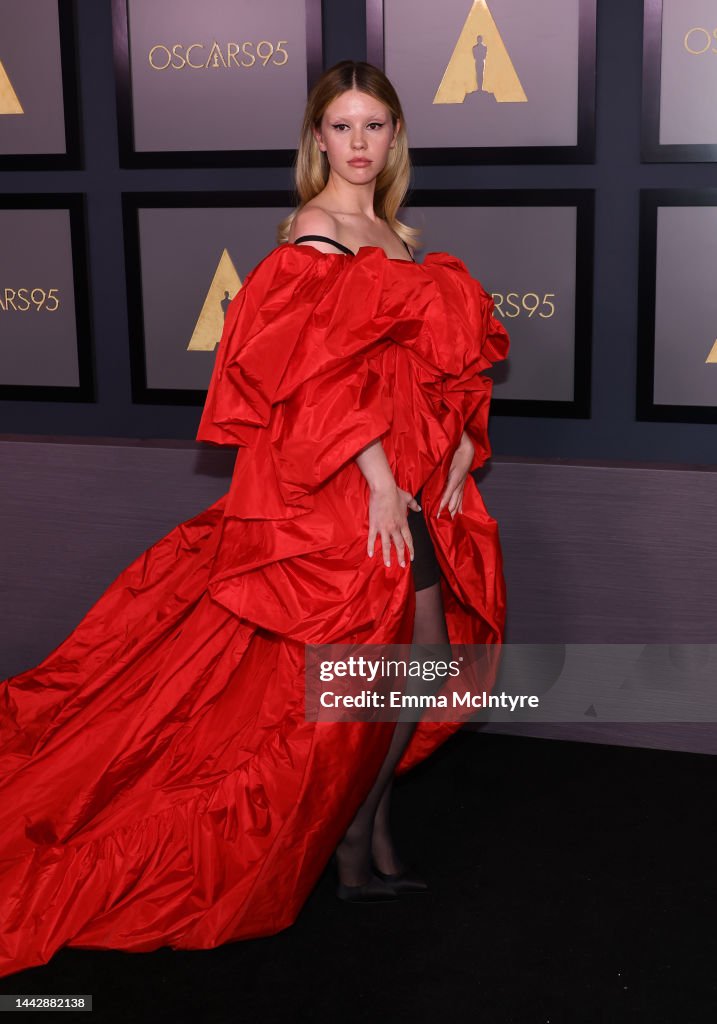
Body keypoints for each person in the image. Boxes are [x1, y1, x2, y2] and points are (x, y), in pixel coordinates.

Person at [0, 60, 509, 978]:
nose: (358, 143)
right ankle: (355, 844)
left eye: (374, 125)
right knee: (370, 673)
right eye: (341, 127)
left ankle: (364, 829)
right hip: (350, 486)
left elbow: (436, 366)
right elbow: (312, 373)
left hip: (410, 481)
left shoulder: (394, 236)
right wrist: (377, 479)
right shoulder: (317, 233)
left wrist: (462, 445)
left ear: (396, 135)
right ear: (317, 138)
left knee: (422, 663)